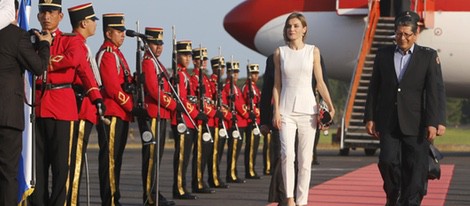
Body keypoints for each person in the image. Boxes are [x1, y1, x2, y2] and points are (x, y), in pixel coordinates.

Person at [364, 11, 443, 206]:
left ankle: (411, 201)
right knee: (387, 161)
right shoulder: (383, 55)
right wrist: (370, 117)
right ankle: (393, 194)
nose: (403, 38)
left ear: (416, 34)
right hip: (388, 121)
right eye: (399, 34)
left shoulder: (428, 56)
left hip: (417, 123)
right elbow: (374, 87)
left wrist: (435, 121)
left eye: (407, 34)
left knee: (415, 167)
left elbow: (435, 91)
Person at [30, 0, 100, 204]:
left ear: (60, 17)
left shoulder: (71, 40)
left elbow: (74, 60)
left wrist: (96, 97)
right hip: (36, 107)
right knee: (37, 167)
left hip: (61, 107)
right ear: (38, 16)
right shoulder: (30, 39)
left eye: (51, 12)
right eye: (43, 12)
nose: (46, 17)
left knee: (61, 166)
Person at [272, 12, 335, 206]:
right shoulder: (279, 53)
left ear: (304, 29)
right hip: (286, 110)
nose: (292, 29)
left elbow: (320, 83)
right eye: (289, 26)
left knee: (305, 160)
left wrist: (331, 107)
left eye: (296, 26)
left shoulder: (313, 51)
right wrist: (275, 111)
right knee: (286, 155)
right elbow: (277, 85)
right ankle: (289, 198)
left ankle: (302, 201)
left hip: (309, 110)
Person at [0, 2, 51, 204]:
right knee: (8, 174)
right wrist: (44, 44)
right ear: (17, 10)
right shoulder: (16, 35)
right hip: (8, 116)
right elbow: (38, 67)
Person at [66, 3, 104, 205]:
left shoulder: (82, 44)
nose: (94, 25)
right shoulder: (76, 44)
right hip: (81, 111)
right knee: (75, 161)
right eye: (92, 21)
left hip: (88, 111)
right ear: (83, 22)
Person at [96, 13, 135, 205]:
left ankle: (114, 196)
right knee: (110, 159)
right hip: (112, 112)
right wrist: (131, 106)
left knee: (116, 159)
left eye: (123, 31)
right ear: (108, 33)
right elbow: (112, 88)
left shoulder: (117, 54)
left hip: (121, 113)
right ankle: (109, 199)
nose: (122, 34)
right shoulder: (108, 54)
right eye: (118, 31)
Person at [141, 27, 177, 206]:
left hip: (161, 113)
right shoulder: (148, 62)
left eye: (161, 44)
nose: (159, 47)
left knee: (157, 157)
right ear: (148, 44)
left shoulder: (157, 63)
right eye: (156, 43)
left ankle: (154, 191)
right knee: (151, 157)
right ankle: (149, 195)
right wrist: (172, 104)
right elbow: (153, 89)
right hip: (153, 113)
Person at [171, 40, 200, 200]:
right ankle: (179, 188)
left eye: (189, 55)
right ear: (177, 56)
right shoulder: (179, 75)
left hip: (189, 120)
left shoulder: (184, 74)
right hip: (182, 120)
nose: (187, 58)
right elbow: (181, 100)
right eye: (184, 54)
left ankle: (182, 186)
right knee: (182, 156)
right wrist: (195, 113)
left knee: (186, 156)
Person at [190, 47, 217, 194]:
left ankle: (202, 180)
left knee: (206, 153)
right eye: (201, 59)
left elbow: (209, 100)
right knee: (199, 153)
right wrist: (212, 113)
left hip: (209, 119)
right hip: (201, 121)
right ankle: (197, 182)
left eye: (205, 59)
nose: (204, 62)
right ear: (195, 61)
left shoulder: (204, 79)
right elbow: (197, 102)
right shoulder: (194, 78)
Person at [224, 60, 249, 184]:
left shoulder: (235, 87)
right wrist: (246, 114)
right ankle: (231, 174)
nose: (235, 75)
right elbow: (239, 105)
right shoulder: (229, 87)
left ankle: (233, 172)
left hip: (241, 122)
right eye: (232, 72)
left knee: (237, 150)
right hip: (236, 122)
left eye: (236, 72)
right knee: (233, 150)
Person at [207, 56, 230, 189]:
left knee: (218, 152)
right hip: (213, 120)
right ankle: (213, 177)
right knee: (214, 152)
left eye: (222, 68)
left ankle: (216, 176)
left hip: (219, 120)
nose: (221, 70)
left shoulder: (219, 83)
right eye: (218, 67)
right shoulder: (212, 82)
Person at [242, 63, 261, 179]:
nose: (255, 76)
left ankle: (252, 168)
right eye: (253, 73)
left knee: (254, 146)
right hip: (251, 120)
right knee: (251, 146)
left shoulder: (255, 88)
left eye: (256, 73)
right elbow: (247, 104)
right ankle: (249, 170)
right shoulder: (247, 87)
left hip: (256, 119)